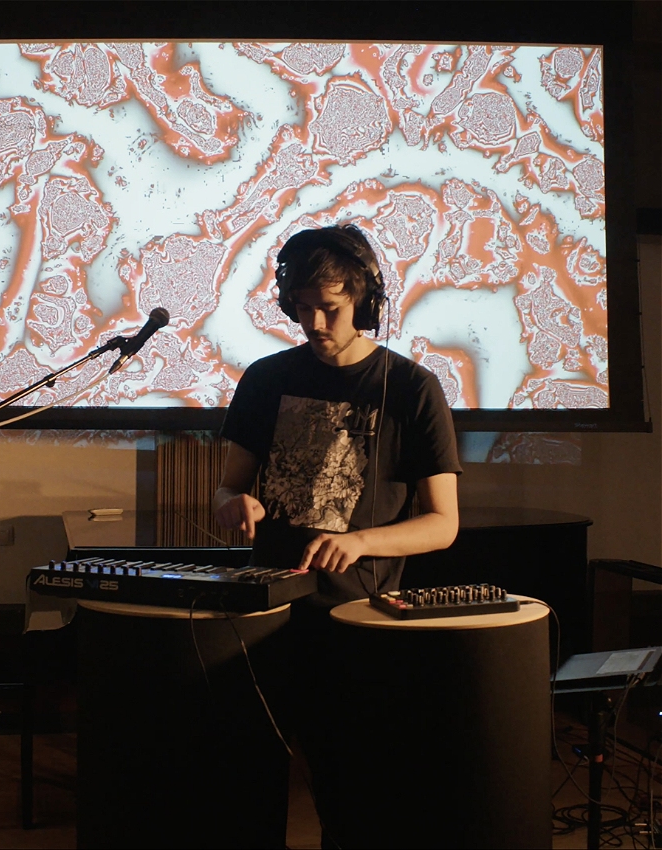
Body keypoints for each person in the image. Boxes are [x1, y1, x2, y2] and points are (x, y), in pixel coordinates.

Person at [212, 223, 462, 847]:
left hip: (354, 622)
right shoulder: (266, 379)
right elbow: (226, 487)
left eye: (331, 308)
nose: (316, 324)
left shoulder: (411, 390)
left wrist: (361, 542)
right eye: (303, 309)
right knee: (245, 783)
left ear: (364, 301)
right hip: (267, 611)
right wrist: (232, 503)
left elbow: (443, 523)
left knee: (352, 792)